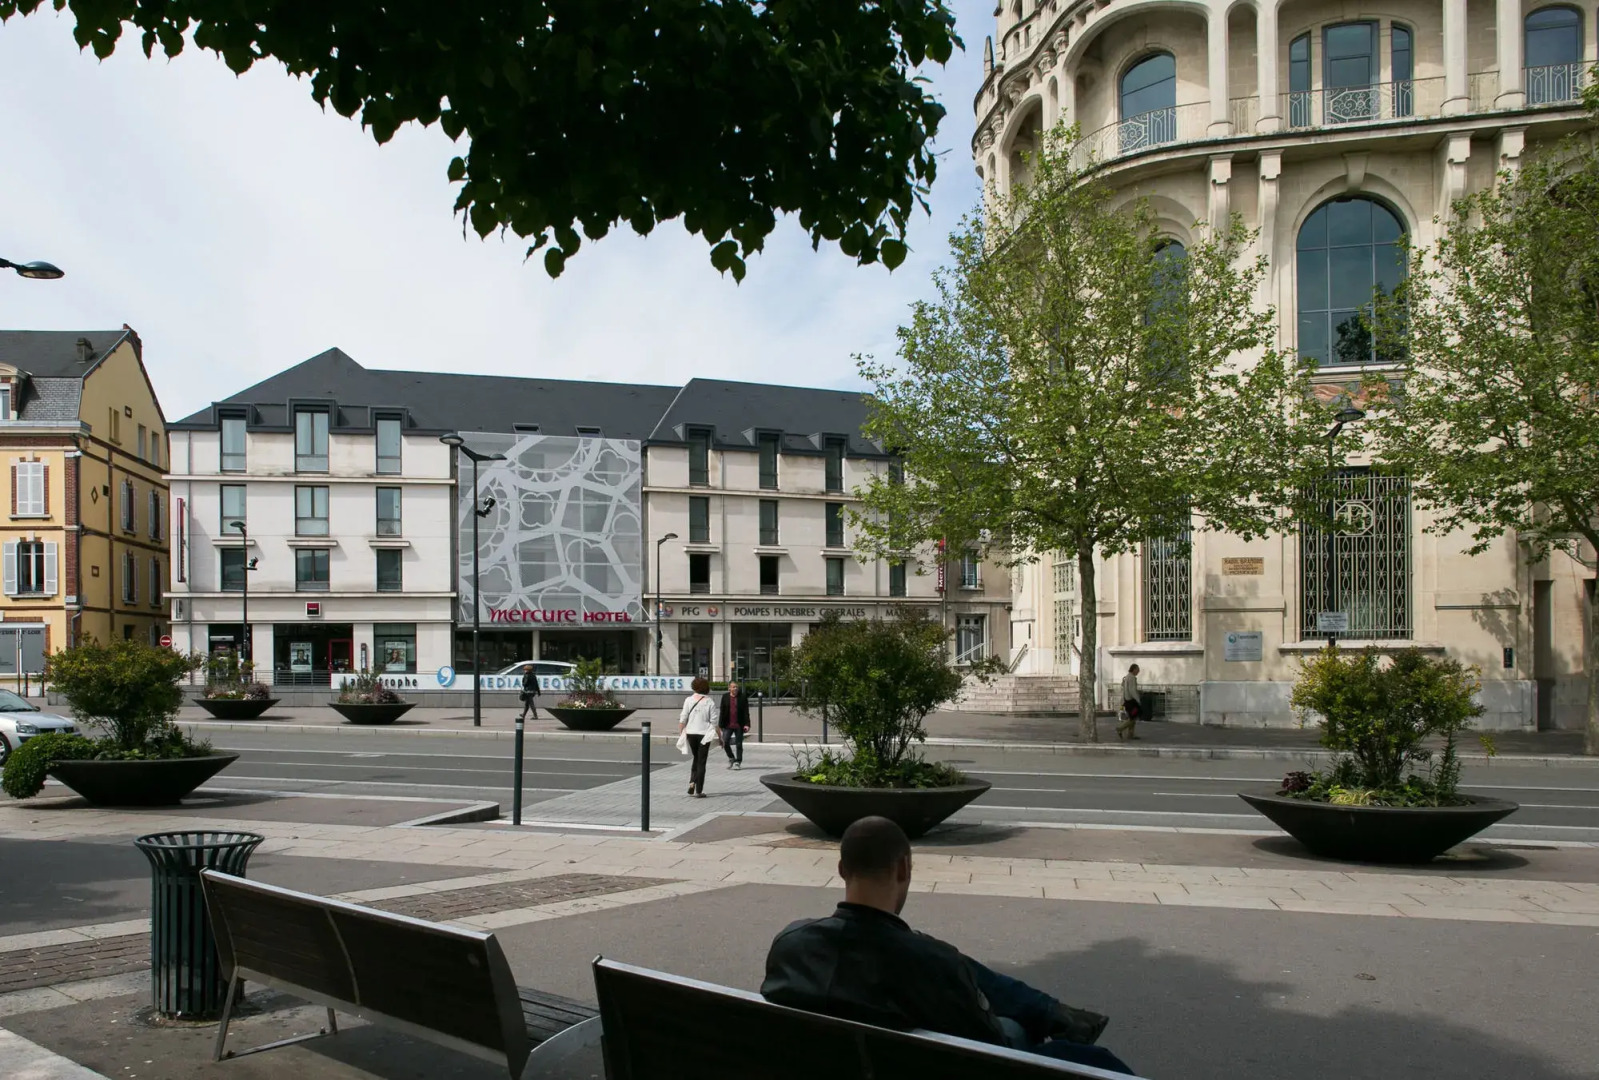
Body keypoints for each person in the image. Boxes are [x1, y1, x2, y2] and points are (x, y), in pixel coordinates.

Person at [762, 816, 1133, 1075]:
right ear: (904, 869)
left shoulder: (791, 944)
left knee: (934, 955)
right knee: (1093, 1060)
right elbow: (989, 1049)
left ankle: (1054, 1013)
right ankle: (1057, 1016)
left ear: (842, 870)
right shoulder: (934, 964)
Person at [678, 676, 717, 797]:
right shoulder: (709, 701)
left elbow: (683, 718)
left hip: (691, 733)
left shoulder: (688, 700)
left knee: (696, 757)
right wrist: (721, 738)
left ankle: (692, 782)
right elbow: (714, 722)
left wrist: (681, 732)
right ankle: (699, 790)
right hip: (704, 734)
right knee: (701, 761)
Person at [719, 680, 751, 770]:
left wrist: (747, 724)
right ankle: (731, 758)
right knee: (725, 742)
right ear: (729, 688)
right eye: (733, 687)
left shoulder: (742, 697)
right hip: (727, 724)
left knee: (739, 744)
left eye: (736, 687)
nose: (735, 688)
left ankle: (738, 761)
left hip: (739, 724)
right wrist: (720, 725)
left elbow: (746, 712)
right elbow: (722, 711)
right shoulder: (725, 697)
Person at [1117, 663, 1142, 741]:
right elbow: (1132, 690)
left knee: (1133, 717)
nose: (1138, 672)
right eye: (1137, 670)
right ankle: (1120, 728)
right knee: (1133, 717)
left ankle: (1130, 734)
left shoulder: (1127, 677)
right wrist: (1138, 699)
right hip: (1131, 701)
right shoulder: (1132, 678)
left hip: (1126, 700)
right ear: (1134, 669)